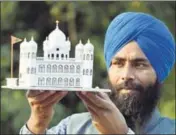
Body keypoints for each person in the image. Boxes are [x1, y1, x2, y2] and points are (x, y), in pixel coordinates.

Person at [20, 12, 175, 134]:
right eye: (118, 63)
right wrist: (38, 122)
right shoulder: (73, 128)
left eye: (140, 65)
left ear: (160, 73)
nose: (126, 74)